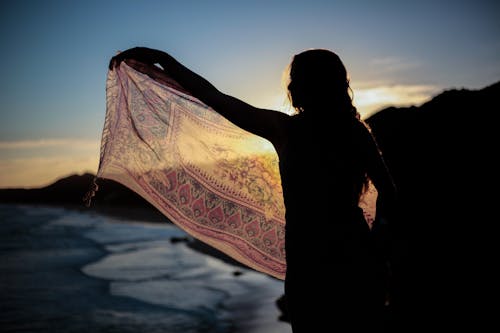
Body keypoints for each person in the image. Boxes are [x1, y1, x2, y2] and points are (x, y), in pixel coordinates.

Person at [110, 47, 397, 332]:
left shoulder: (289, 129)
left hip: (319, 260)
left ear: (317, 83)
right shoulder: (351, 131)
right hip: (347, 254)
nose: (291, 85)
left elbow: (214, 98)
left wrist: (164, 58)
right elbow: (390, 194)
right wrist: (378, 248)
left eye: (298, 78)